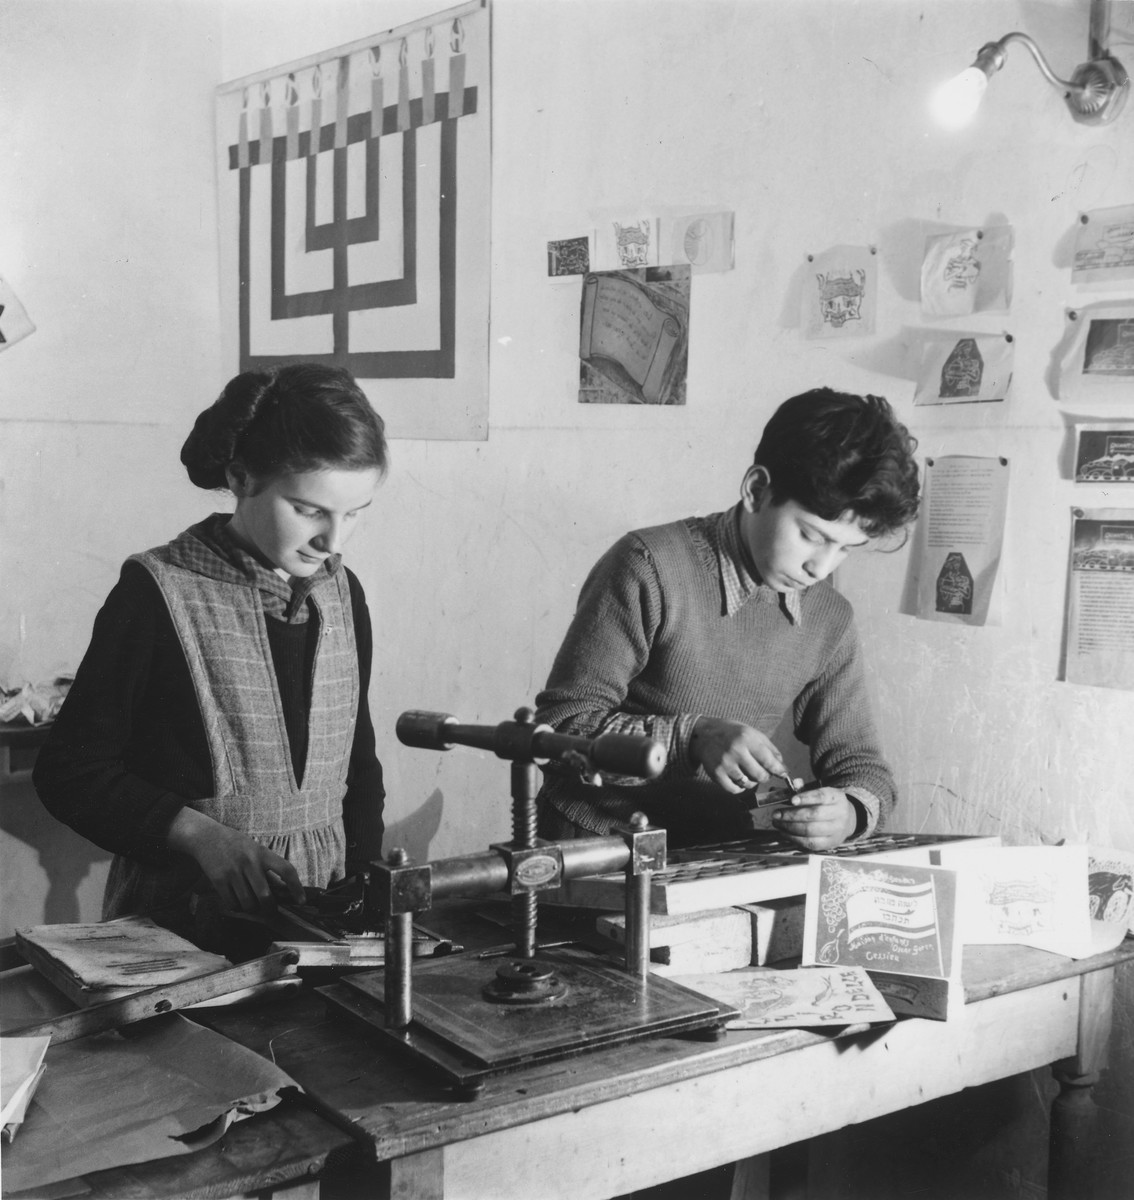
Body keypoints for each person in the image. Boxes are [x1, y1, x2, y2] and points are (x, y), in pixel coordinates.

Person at [34, 363, 388, 949]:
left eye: (353, 514)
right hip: (181, 925)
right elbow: (71, 772)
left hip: (321, 925)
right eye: (309, 510)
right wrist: (200, 835)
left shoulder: (342, 594)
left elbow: (360, 762)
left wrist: (366, 897)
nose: (334, 542)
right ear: (242, 477)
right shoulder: (157, 592)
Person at [535, 387, 920, 852]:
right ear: (757, 490)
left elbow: (863, 766)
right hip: (594, 852)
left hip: (719, 855)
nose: (821, 567)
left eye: (846, 549)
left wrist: (850, 812)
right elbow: (559, 732)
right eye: (811, 536)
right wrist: (693, 737)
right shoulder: (649, 566)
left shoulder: (828, 618)